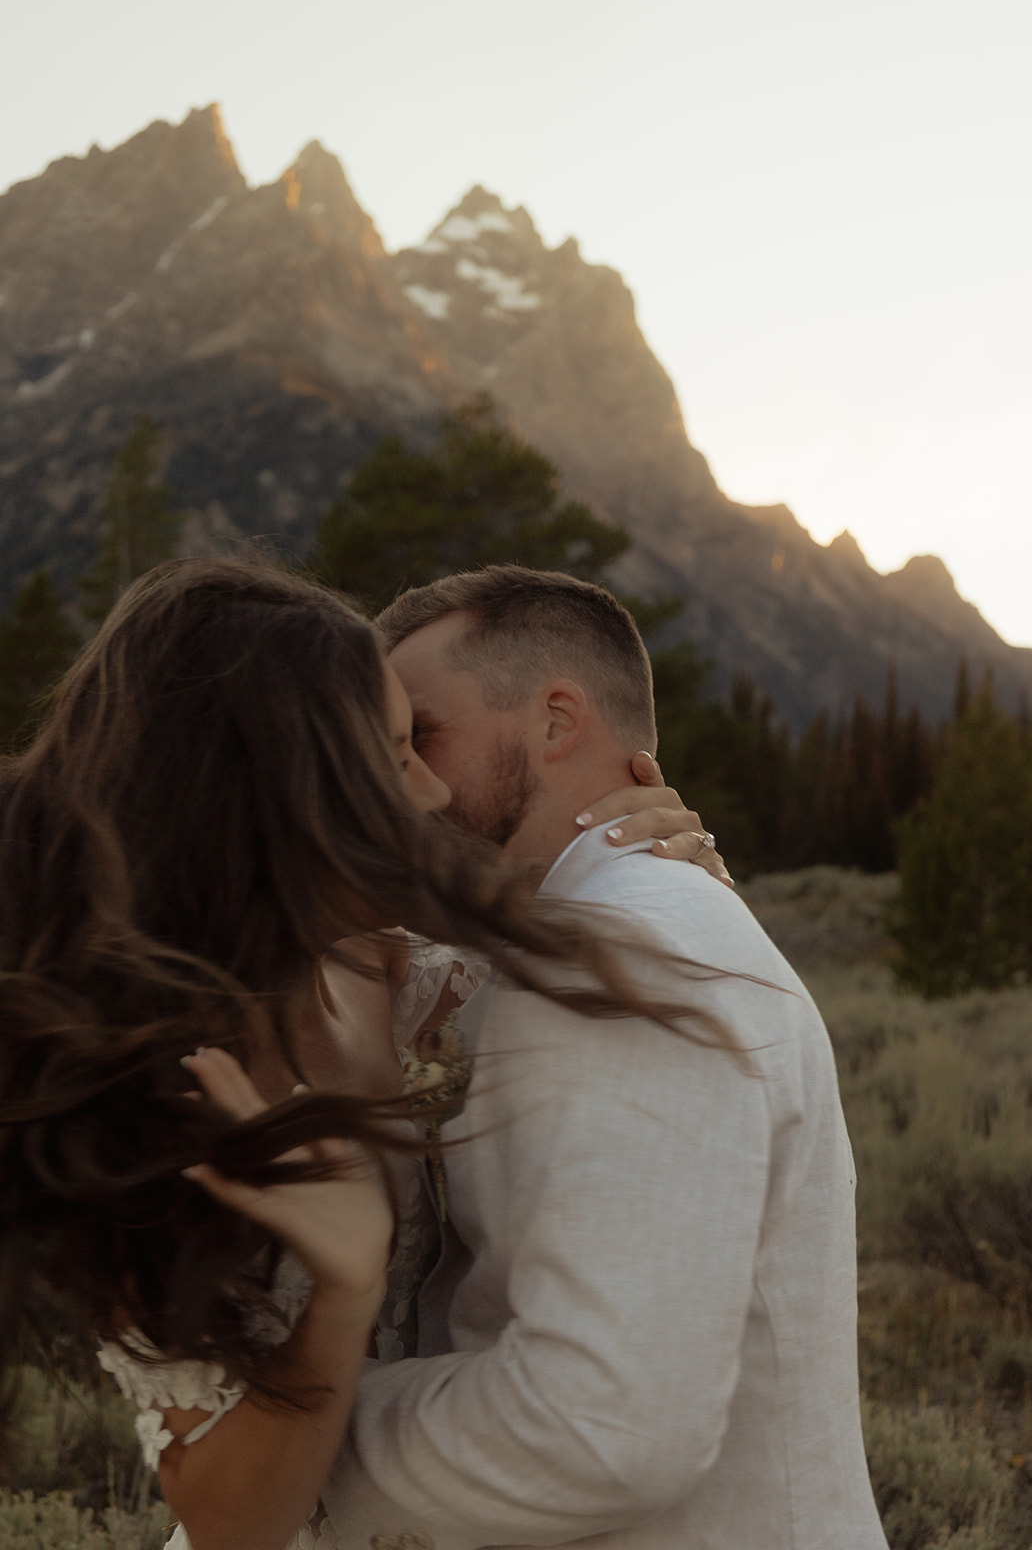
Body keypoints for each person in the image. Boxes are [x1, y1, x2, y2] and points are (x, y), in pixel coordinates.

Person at [0, 556, 723, 1550]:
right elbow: (223, 1515)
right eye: (394, 756)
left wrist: (674, 883)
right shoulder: (152, 1084)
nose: (429, 792)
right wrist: (340, 1290)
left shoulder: (390, 970)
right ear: (274, 798)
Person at [311, 566, 889, 1550]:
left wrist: (284, 1452)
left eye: (424, 733)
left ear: (555, 720)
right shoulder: (596, 933)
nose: (404, 783)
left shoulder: (621, 953)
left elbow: (602, 1427)